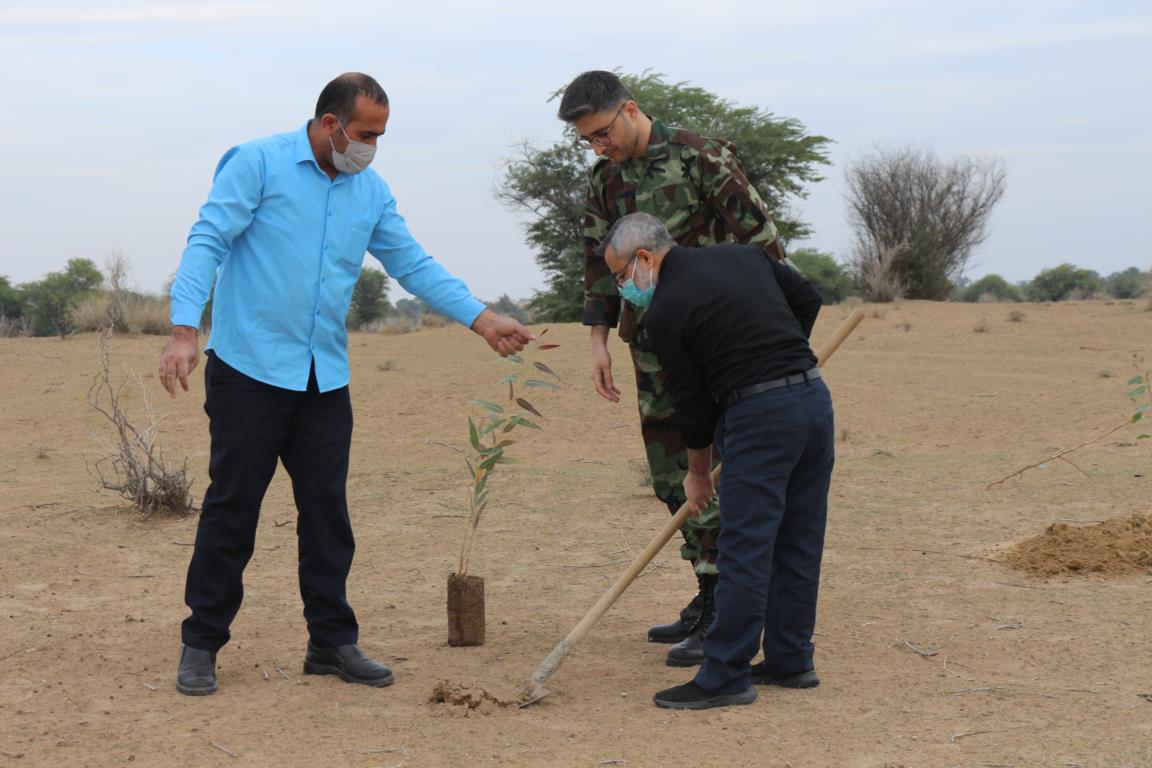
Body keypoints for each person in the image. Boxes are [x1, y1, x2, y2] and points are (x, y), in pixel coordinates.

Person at [160, 72, 533, 696]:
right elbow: (208, 240)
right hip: (249, 369)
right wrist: (182, 329)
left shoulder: (371, 190)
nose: (372, 148)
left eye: (381, 136)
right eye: (365, 134)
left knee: (328, 512)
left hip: (323, 376)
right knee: (233, 508)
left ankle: (331, 642)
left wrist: (482, 317)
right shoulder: (258, 163)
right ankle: (202, 643)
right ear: (331, 124)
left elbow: (410, 261)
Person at [558, 70, 788, 665]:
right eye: (587, 140)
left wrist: (760, 333)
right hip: (653, 347)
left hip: (717, 346)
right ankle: (707, 588)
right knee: (672, 474)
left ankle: (728, 605)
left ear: (630, 110)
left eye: (602, 133)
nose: (598, 147)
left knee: (719, 472)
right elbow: (596, 260)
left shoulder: (699, 158)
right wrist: (599, 340)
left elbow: (763, 245)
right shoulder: (604, 179)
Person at [599, 213, 833, 710]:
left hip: (759, 416)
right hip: (813, 403)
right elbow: (808, 298)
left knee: (745, 547)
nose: (624, 289)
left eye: (621, 276)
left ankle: (725, 673)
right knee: (799, 538)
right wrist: (785, 353)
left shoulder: (664, 311)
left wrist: (698, 473)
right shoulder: (745, 254)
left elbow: (693, 405)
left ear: (644, 258)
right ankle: (792, 659)